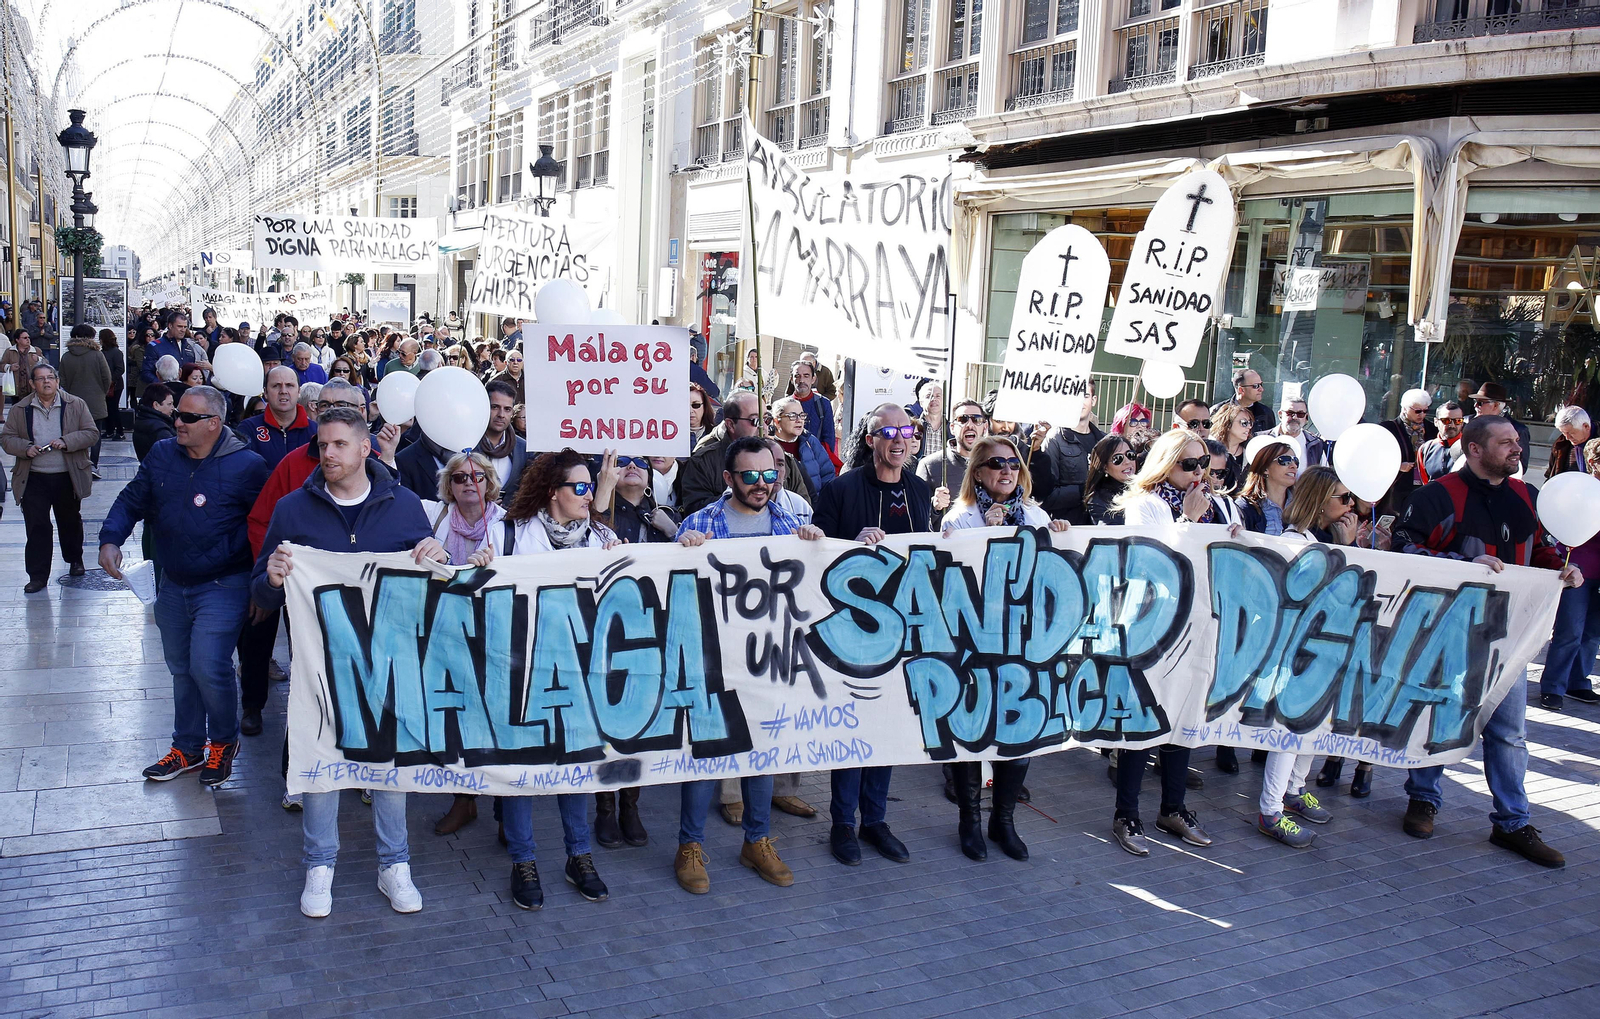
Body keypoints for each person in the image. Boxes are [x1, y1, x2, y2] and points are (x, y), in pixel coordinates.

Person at [252, 407, 471, 917]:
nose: (327, 454)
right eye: (322, 446)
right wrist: (275, 577)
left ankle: (394, 864)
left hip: (389, 662)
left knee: (387, 763)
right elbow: (259, 591)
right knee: (322, 760)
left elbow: (428, 587)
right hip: (319, 663)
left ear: (365, 449)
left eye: (338, 445)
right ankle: (319, 865)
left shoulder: (404, 507)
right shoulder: (291, 509)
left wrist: (433, 556)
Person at [1392, 415, 1580, 868]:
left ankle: (1512, 823)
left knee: (1509, 733)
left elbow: (1537, 549)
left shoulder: (1525, 496)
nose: (1518, 448)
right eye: (1506, 442)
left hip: (1509, 636)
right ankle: (1423, 799)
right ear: (1475, 449)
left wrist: (1560, 567)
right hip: (1446, 633)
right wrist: (1463, 562)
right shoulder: (1437, 496)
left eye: (1517, 441)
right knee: (1439, 718)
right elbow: (1402, 547)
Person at [669, 438, 826, 891]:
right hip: (713, 662)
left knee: (765, 753)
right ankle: (689, 846)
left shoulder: (792, 524)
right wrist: (685, 547)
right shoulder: (701, 522)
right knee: (705, 758)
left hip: (770, 662)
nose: (763, 484)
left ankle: (757, 840)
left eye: (769, 474)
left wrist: (814, 548)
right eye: (751, 476)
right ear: (728, 479)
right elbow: (676, 588)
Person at [98, 386, 270, 788]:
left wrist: (262, 588)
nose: (178, 422)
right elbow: (132, 498)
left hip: (225, 583)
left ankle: (223, 743)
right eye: (177, 414)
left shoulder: (248, 467)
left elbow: (266, 528)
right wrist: (110, 538)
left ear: (214, 423)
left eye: (189, 417)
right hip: (173, 583)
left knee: (207, 665)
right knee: (181, 669)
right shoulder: (162, 454)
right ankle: (188, 747)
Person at [939, 438, 1070, 863]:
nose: (1007, 470)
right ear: (976, 472)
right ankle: (969, 822)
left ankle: (1004, 821)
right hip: (975, 644)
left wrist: (1062, 536)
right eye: (996, 463)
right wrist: (988, 535)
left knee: (1021, 730)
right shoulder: (960, 519)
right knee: (973, 732)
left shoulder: (1034, 513)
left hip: (1027, 641)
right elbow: (955, 582)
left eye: (1013, 463)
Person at [497, 449, 615, 908]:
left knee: (576, 768)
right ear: (553, 492)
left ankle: (578, 855)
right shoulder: (507, 535)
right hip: (518, 671)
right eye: (580, 488)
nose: (590, 495)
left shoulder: (602, 538)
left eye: (591, 486)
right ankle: (523, 860)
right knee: (521, 768)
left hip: (579, 674)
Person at [813, 404, 929, 868]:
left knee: (887, 727)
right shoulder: (840, 489)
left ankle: (875, 820)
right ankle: (842, 823)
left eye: (907, 430)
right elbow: (816, 550)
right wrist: (849, 544)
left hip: (904, 628)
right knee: (855, 726)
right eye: (889, 432)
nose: (899, 439)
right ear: (870, 439)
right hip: (853, 630)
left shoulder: (920, 489)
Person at [1104, 429, 1220, 855]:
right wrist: (1189, 521)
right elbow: (1156, 563)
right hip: (1150, 627)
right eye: (1187, 464)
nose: (1197, 472)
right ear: (1165, 464)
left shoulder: (1211, 501)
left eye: (1202, 463)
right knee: (1143, 721)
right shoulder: (1145, 505)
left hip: (1197, 625)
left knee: (1183, 717)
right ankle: (1126, 815)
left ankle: (1173, 807)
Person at [1254, 466, 1359, 849]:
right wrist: (1346, 546)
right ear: (1319, 502)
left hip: (1324, 649)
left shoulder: (1323, 535)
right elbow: (1319, 594)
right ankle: (1271, 810)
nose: (1351, 505)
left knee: (1312, 730)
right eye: (1342, 498)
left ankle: (1295, 791)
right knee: (1290, 732)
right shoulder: (1295, 540)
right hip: (1297, 652)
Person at [418, 450, 516, 838]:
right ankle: (464, 799)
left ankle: (507, 809)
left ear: (491, 482)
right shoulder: (434, 519)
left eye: (477, 476)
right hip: (448, 633)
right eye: (460, 478)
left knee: (501, 721)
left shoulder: (510, 525)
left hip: (497, 632)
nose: (469, 483)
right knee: (457, 719)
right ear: (449, 487)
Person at [2, 362, 98, 592]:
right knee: (37, 527)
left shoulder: (75, 404)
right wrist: (25, 448)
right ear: (32, 384)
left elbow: (91, 433)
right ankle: (37, 575)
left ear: (57, 381)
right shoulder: (21, 409)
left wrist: (67, 441)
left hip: (67, 475)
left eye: (50, 377)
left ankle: (75, 559)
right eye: (41, 378)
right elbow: (6, 438)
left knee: (70, 521)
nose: (46, 382)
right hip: (34, 477)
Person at [680, 391, 807, 514]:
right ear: (730, 424)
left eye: (766, 420)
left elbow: (805, 506)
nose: (763, 427)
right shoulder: (703, 462)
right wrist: (740, 499)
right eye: (755, 421)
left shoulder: (783, 459)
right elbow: (694, 508)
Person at [1040, 385, 1104, 523]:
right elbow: (1045, 497)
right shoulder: (1054, 439)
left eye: (1085, 396)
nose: (1079, 401)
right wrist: (1084, 491)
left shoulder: (1105, 441)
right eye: (1075, 395)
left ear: (1093, 400)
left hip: (1100, 527)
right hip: (1067, 529)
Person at [58, 324, 114, 476]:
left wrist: (71, 392)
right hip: (95, 400)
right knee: (95, 434)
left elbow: (62, 380)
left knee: (75, 434)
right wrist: (100, 392)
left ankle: (77, 464)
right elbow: (106, 377)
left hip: (73, 400)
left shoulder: (66, 356)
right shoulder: (97, 355)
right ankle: (93, 465)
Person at [918, 398, 988, 517]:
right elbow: (916, 514)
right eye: (963, 419)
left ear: (985, 427)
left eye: (976, 420)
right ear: (952, 427)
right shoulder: (929, 465)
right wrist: (935, 507)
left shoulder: (996, 464)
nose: (970, 425)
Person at [237, 366, 315, 470]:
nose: (283, 391)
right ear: (265, 392)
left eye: (289, 385)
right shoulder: (248, 429)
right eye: (276, 386)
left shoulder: (316, 431)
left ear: (299, 391)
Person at [1378, 389, 1434, 515]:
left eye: (1426, 411)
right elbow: (1377, 458)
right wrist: (1397, 466)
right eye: (1418, 411)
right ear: (1404, 408)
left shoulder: (1432, 429)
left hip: (1423, 486)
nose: (1422, 415)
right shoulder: (1388, 428)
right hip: (1397, 487)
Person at [770, 395, 835, 498]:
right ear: (777, 421)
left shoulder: (810, 441)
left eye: (802, 415)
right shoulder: (769, 446)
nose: (799, 420)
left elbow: (828, 474)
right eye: (792, 416)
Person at [478, 380, 529, 507]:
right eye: (495, 407)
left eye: (507, 409)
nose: (501, 415)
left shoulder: (523, 449)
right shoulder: (467, 445)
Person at [1234, 442, 1299, 535]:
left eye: (1296, 461)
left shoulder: (1301, 505)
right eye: (1285, 460)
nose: (1294, 466)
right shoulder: (1245, 507)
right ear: (1265, 468)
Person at [1465, 382, 1531, 467]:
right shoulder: (1468, 422)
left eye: (1480, 403)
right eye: (1475, 401)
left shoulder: (1518, 429)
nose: (1475, 405)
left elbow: (1521, 465)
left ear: (1496, 405)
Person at [788, 358, 838, 466]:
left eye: (806, 376)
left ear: (813, 379)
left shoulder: (823, 404)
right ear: (791, 379)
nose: (802, 380)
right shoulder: (783, 405)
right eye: (797, 376)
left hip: (816, 465)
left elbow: (829, 439)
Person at [139, 312, 211, 385]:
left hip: (185, 392)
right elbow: (146, 373)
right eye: (179, 326)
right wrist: (165, 386)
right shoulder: (155, 346)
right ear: (170, 325)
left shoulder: (188, 346)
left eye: (185, 327)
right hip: (165, 393)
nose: (183, 330)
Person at [1083, 434, 1135, 525]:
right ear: (1105, 467)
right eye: (1118, 458)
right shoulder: (1098, 501)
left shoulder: (1148, 489)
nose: (1127, 461)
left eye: (1130, 455)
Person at [1267, 397, 1330, 468]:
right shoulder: (1265, 439)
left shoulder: (1315, 444)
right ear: (1280, 415)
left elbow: (1323, 474)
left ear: (1306, 418)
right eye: (1290, 413)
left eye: (1300, 414)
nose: (1295, 417)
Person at [1209, 402, 1254, 492]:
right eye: (1244, 423)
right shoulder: (1208, 449)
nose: (1249, 427)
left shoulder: (1251, 453)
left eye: (1250, 423)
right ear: (1227, 423)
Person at [1214, 368, 1274, 435]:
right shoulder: (1218, 411)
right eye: (1256, 386)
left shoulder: (1266, 413)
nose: (1261, 389)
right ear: (1241, 390)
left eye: (1261, 384)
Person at [1417, 401, 1466, 482]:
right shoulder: (1425, 449)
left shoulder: (1469, 448)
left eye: (1458, 421)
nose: (1452, 425)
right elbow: (1426, 484)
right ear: (1436, 422)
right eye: (1446, 421)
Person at [1, 327, 44, 406]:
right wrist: (9, 367)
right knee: (17, 410)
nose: (28, 339)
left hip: (32, 388)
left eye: (28, 337)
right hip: (16, 387)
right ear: (17, 340)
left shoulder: (36, 350)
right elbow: (1, 365)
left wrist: (38, 359)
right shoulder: (10, 351)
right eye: (25, 338)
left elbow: (46, 365)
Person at [1546, 406, 1592, 480]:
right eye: (1564, 433)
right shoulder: (1560, 445)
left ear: (1586, 426)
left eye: (1571, 433)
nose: (1567, 437)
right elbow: (1551, 476)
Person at [100, 329, 127, 441]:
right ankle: (109, 430)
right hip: (106, 384)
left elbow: (120, 369)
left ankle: (120, 432)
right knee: (107, 408)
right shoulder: (103, 352)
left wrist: (111, 379)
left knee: (113, 408)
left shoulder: (116, 352)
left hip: (115, 385)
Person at [687, 382, 716, 453]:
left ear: (705, 407)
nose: (690, 411)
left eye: (696, 405)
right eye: (685, 405)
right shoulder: (670, 438)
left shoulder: (715, 435)